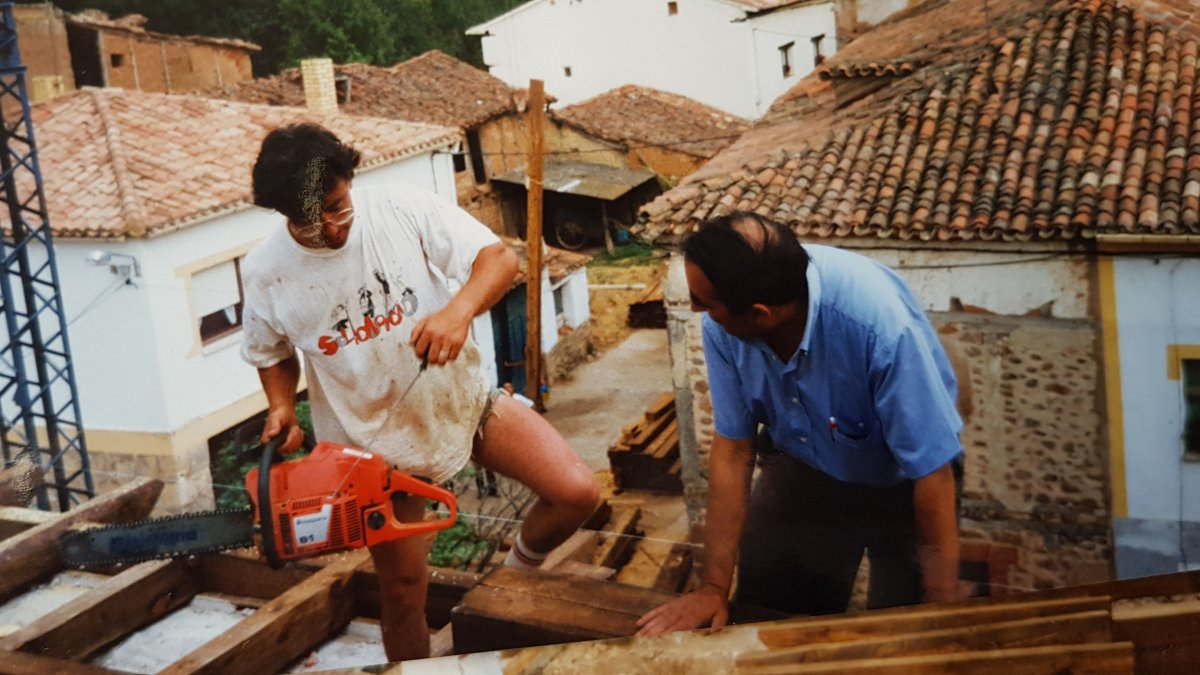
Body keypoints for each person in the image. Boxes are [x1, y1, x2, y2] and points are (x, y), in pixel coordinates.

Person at [241, 123, 599, 661]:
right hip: (377, 456)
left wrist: (457, 313)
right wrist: (282, 406)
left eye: (339, 208)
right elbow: (270, 352)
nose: (333, 231)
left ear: (348, 181)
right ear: (286, 214)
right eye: (313, 224)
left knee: (576, 492)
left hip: (464, 404)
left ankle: (509, 578)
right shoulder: (266, 271)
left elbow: (499, 260)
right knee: (403, 594)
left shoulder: (401, 208)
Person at [637, 212, 962, 636]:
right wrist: (713, 587)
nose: (695, 309)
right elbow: (733, 450)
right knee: (769, 612)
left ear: (761, 315)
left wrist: (941, 606)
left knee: (904, 627)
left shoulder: (878, 328)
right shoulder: (725, 325)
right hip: (806, 462)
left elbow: (932, 471)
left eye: (705, 304)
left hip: (908, 480)